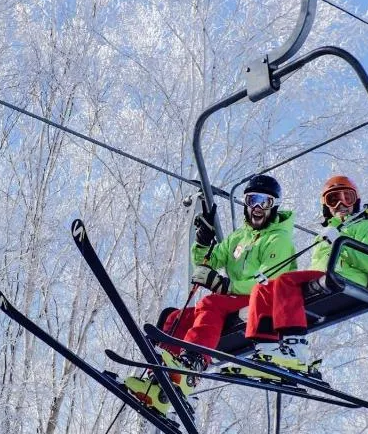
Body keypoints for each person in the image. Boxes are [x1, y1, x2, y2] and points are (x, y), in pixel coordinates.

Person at [124, 174, 297, 415]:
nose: (257, 208)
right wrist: (204, 243)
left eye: (264, 202)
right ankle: (160, 382)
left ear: (274, 206)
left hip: (265, 300)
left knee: (211, 302)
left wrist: (224, 286)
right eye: (251, 200)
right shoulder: (240, 237)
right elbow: (207, 261)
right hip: (236, 300)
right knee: (177, 318)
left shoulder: (278, 239)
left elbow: (269, 281)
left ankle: (193, 362)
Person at [225, 175, 368, 376]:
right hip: (324, 279)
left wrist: (341, 241)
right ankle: (267, 349)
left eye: (348, 198)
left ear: (356, 201)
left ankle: (295, 347)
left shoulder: (367, 226)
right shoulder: (327, 233)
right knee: (265, 288)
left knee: (284, 281)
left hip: (347, 279)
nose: (341, 204)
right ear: (326, 207)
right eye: (333, 200)